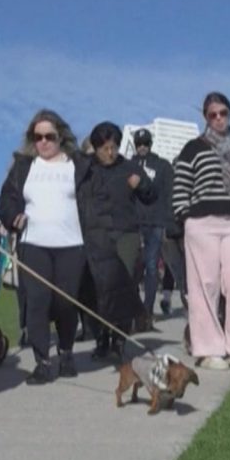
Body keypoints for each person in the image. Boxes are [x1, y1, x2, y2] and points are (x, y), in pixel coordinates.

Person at [172, 92, 230, 370]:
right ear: (205, 117)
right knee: (205, 286)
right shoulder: (193, 148)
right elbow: (181, 185)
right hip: (202, 222)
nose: (218, 119)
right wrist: (185, 216)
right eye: (212, 114)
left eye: (223, 113)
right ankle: (208, 348)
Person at [0, 109, 90, 384]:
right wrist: (13, 215)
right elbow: (7, 197)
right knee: (37, 302)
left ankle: (65, 352)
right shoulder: (24, 166)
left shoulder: (78, 165)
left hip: (71, 244)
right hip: (33, 244)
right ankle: (42, 361)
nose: (43, 142)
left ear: (61, 136)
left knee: (65, 302)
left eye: (49, 136)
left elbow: (94, 200)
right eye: (37, 137)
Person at [78, 121, 156, 359]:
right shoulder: (86, 170)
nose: (110, 153)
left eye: (113, 147)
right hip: (95, 234)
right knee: (95, 288)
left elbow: (152, 195)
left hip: (125, 233)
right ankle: (101, 337)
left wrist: (141, 184)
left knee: (122, 286)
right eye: (104, 148)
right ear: (95, 147)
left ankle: (119, 339)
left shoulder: (129, 167)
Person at [132, 128, 175, 319]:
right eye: (139, 144)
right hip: (134, 223)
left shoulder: (163, 166)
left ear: (150, 144)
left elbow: (169, 195)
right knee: (135, 267)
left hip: (156, 222)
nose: (142, 147)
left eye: (145, 144)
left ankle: (147, 310)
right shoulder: (129, 165)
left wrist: (168, 222)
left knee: (151, 265)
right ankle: (132, 308)